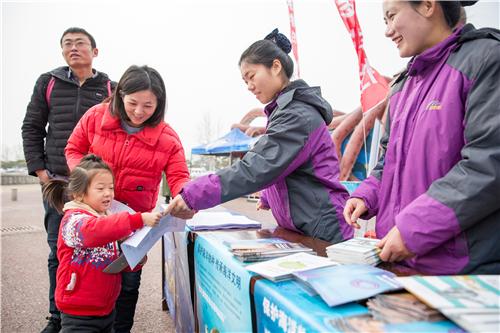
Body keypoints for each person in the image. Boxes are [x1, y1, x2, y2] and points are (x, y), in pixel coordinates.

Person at [343, 0, 500, 274]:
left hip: (460, 270)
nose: (388, 31)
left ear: (427, 5)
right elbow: (388, 161)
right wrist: (367, 195)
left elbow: (487, 164)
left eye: (391, 17)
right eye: (385, 21)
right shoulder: (403, 85)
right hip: (401, 259)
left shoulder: (485, 59)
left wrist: (414, 228)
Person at [167, 29, 352, 243]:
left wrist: (195, 193)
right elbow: (286, 165)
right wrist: (270, 194)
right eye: (245, 81)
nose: (249, 86)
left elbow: (259, 166)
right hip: (306, 226)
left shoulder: (297, 115)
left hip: (324, 230)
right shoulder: (284, 111)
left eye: (251, 76)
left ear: (275, 67)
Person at [65, 65, 190, 332]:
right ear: (120, 95)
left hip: (134, 225)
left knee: (128, 284)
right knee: (87, 277)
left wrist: (185, 198)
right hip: (93, 215)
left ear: (159, 104)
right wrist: (87, 181)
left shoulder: (167, 137)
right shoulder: (95, 117)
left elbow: (179, 176)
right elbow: (73, 149)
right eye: (133, 103)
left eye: (148, 105)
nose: (139, 112)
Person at [21, 27, 114, 333]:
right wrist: (40, 171)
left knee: (99, 247)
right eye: (67, 44)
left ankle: (98, 312)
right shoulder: (48, 82)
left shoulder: (110, 87)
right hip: (59, 183)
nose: (73, 48)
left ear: (95, 51)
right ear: (62, 51)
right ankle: (57, 316)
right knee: (58, 250)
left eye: (80, 43)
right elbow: (32, 126)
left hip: (94, 185)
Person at [42, 154, 161, 332]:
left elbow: (114, 263)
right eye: (100, 188)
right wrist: (138, 219)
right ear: (79, 194)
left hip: (106, 309)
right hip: (78, 312)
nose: (108, 193)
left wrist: (135, 258)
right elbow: (95, 231)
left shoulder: (105, 219)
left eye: (111, 188)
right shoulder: (73, 221)